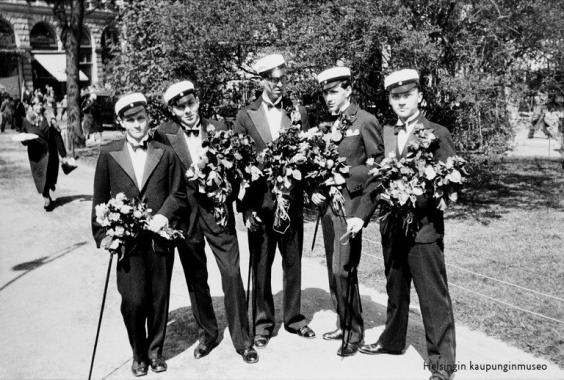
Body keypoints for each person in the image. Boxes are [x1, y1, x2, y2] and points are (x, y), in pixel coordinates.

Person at [347, 69, 456, 380]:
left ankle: (442, 367)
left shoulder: (438, 133)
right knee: (395, 290)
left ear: (419, 96)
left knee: (433, 299)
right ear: (390, 101)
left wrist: (429, 191)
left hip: (423, 231)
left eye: (407, 95)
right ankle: (393, 341)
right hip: (392, 229)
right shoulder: (386, 134)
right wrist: (360, 215)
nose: (401, 101)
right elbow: (377, 180)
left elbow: (452, 184)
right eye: (395, 97)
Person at [154, 81, 258, 364]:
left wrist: (236, 194)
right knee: (196, 278)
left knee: (232, 273)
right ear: (172, 110)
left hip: (218, 213)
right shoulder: (163, 136)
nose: (187, 111)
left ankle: (243, 340)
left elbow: (237, 170)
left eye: (190, 104)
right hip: (185, 218)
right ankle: (208, 334)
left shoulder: (220, 128)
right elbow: (159, 177)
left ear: (198, 101)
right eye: (180, 107)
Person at [91, 93, 187, 377]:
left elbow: (178, 193)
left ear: (148, 119)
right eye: (130, 120)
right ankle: (138, 351)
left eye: (141, 118)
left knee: (158, 297)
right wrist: (104, 236)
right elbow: (99, 200)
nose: (136, 125)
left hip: (159, 240)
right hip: (128, 244)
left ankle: (155, 352)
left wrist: (163, 215)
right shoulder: (108, 154)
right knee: (133, 301)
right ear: (121, 122)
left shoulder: (164, 152)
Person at [233, 53, 315, 348]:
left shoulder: (298, 113)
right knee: (262, 264)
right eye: (272, 80)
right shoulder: (245, 115)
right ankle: (263, 323)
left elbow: (308, 156)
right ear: (262, 80)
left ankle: (293, 319)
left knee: (292, 262)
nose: (279, 85)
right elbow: (237, 167)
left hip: (290, 203)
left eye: (282, 79)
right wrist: (244, 209)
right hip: (259, 204)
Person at [310, 66, 384, 356]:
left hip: (351, 208)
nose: (328, 97)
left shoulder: (365, 121)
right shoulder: (329, 125)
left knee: (344, 270)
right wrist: (317, 186)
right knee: (333, 269)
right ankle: (343, 321)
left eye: (333, 91)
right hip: (329, 208)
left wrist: (347, 174)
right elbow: (323, 165)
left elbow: (378, 168)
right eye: (325, 92)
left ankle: (354, 332)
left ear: (348, 90)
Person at [22, 103, 67, 211]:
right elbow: (24, 136)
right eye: (35, 106)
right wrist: (25, 140)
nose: (38, 108)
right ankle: (46, 198)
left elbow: (56, 135)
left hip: (50, 152)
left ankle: (48, 189)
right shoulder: (27, 120)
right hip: (36, 154)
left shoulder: (49, 118)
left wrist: (63, 154)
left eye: (39, 105)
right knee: (41, 176)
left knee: (50, 174)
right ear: (32, 107)